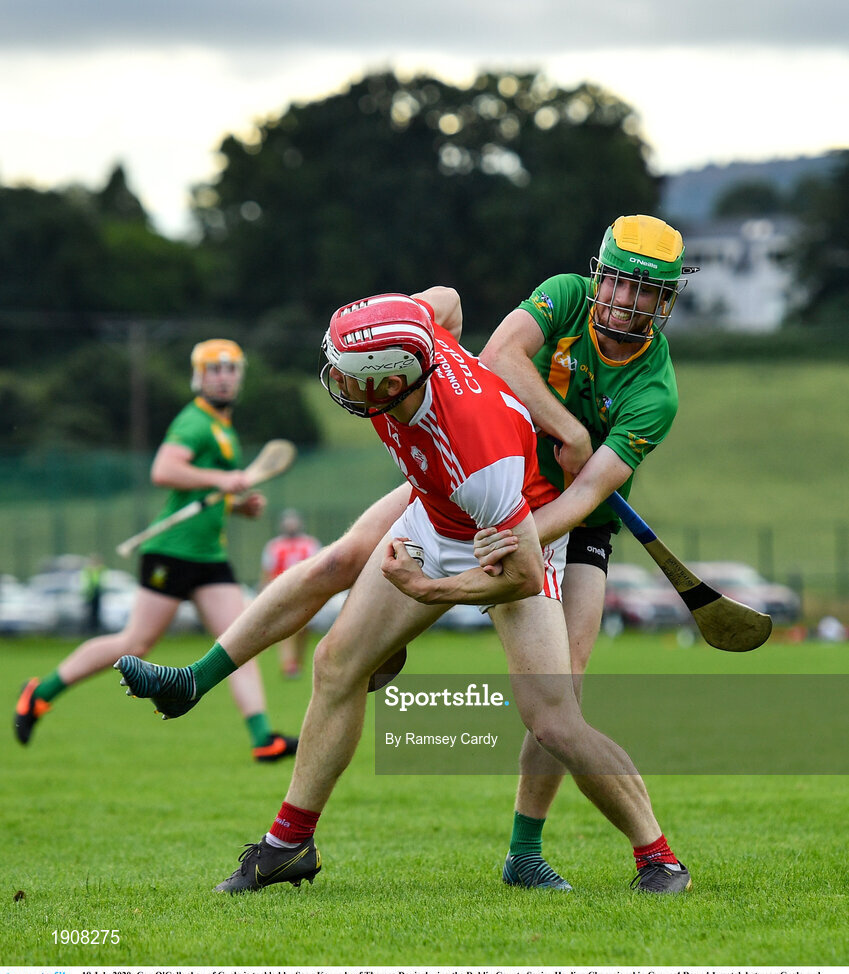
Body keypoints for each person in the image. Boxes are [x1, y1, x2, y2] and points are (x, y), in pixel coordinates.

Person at [115, 288, 690, 895]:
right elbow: (446, 300)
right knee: (336, 663)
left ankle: (658, 858)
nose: (339, 381)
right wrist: (387, 319)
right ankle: (287, 845)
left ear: (393, 383)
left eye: (352, 373)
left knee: (552, 720)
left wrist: (429, 591)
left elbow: (520, 570)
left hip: (506, 533)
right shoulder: (419, 342)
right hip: (434, 512)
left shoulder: (481, 460)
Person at [14, 339, 298, 764]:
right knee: (136, 642)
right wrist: (222, 483)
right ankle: (41, 693)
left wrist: (236, 506)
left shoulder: (223, 427)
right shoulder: (194, 422)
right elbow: (164, 470)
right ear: (198, 377)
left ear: (240, 375)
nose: (223, 377)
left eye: (230, 369)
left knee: (241, 639)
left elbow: (200, 493)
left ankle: (262, 738)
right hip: (172, 552)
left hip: (208, 555)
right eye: (213, 369)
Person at [260, 510, 321, 678]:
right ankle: (288, 664)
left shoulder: (310, 543)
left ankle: (298, 661)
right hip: (281, 591)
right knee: (285, 627)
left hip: (305, 591)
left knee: (303, 629)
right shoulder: (274, 546)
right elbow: (267, 571)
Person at [81, 553, 106, 634]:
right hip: (90, 594)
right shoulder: (88, 569)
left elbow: (103, 580)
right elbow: (84, 581)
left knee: (96, 612)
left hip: (97, 593)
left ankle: (95, 628)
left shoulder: (100, 569)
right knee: (89, 613)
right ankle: (89, 629)